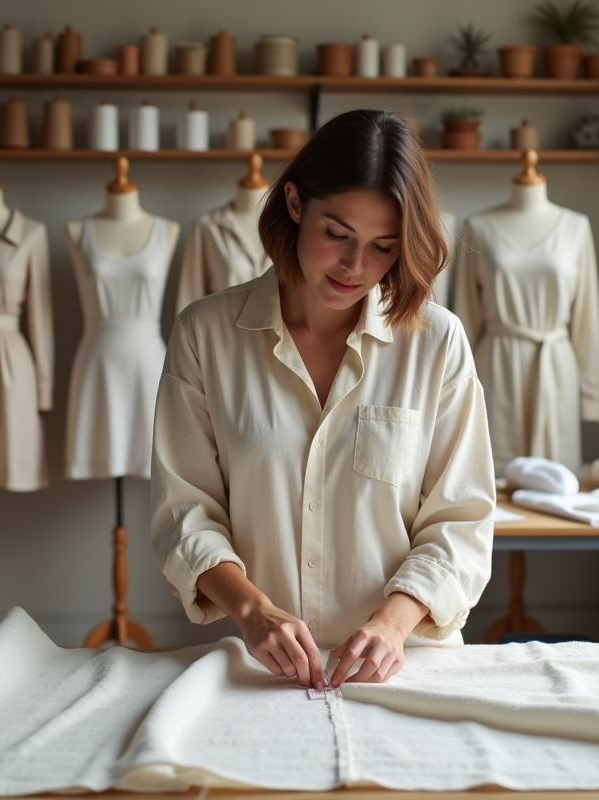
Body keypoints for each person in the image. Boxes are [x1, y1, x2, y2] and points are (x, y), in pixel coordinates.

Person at [151, 109, 495, 692]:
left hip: (406, 671)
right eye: (336, 234)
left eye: (383, 247)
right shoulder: (206, 334)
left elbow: (460, 521)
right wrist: (253, 611)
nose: (355, 267)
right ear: (293, 203)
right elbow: (186, 509)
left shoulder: (436, 343)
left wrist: (392, 623)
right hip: (259, 674)